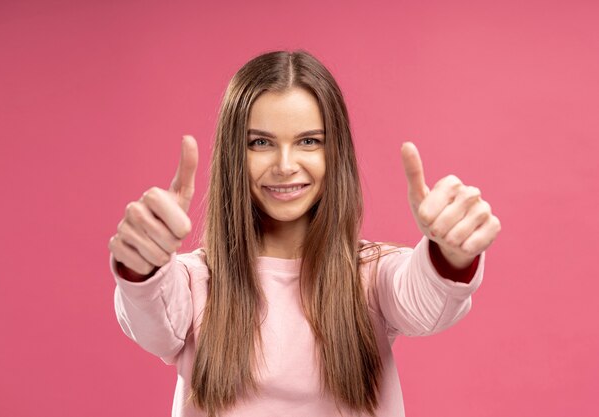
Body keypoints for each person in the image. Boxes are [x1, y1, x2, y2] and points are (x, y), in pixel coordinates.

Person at [108, 50, 501, 417]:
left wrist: (450, 252)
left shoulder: (371, 274)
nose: (284, 165)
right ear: (233, 155)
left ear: (335, 153)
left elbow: (426, 302)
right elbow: (151, 318)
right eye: (260, 143)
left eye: (309, 141)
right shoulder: (196, 281)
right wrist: (143, 265)